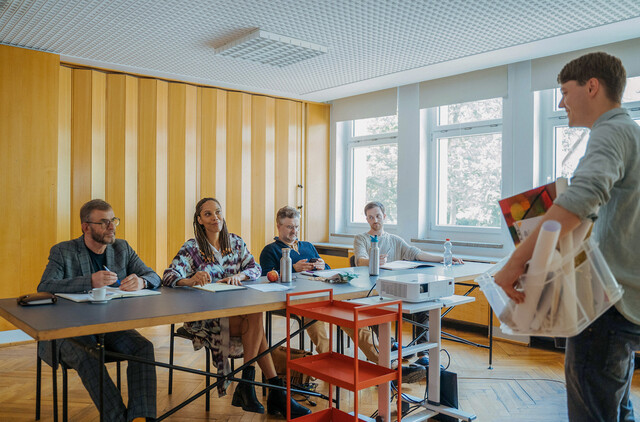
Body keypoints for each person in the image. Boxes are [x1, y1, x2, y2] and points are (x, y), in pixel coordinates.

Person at [494, 52, 640, 422]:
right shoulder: (632, 134)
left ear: (592, 86)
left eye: (564, 91)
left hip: (607, 303)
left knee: (593, 411)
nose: (561, 102)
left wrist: (515, 263)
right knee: (616, 405)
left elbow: (580, 201)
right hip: (627, 299)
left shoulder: (611, 131)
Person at [162, 198, 310, 417]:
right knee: (255, 321)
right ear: (200, 220)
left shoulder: (236, 243)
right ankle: (270, 391)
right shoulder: (192, 248)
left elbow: (255, 268)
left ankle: (253, 386)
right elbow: (168, 276)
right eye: (208, 214)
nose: (215, 218)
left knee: (254, 313)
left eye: (218, 212)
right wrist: (191, 279)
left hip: (238, 312)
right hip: (207, 317)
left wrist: (239, 275)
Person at [38, 199, 159, 422]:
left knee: (143, 347)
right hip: (67, 330)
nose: (111, 226)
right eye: (104, 222)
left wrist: (141, 282)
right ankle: (117, 419)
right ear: (86, 227)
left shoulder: (122, 248)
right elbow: (45, 286)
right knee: (89, 355)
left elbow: (153, 275)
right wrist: (89, 281)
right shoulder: (63, 251)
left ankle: (141, 417)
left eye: (113, 220)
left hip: (108, 326)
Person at [353, 201, 463, 362]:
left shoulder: (395, 240)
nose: (375, 220)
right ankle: (390, 345)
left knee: (423, 304)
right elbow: (360, 259)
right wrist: (373, 261)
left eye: (377, 216)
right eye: (370, 217)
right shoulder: (361, 238)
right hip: (373, 289)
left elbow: (417, 254)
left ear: (384, 216)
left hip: (395, 289)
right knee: (373, 307)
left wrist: (445, 258)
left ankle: (423, 352)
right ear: (367, 220)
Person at [259, 205, 331, 354]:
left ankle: (380, 359)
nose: (294, 231)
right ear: (278, 227)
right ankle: (329, 361)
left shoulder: (308, 246)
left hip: (318, 293)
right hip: (293, 299)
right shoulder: (270, 250)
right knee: (313, 314)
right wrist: (293, 269)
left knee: (349, 313)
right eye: (289, 227)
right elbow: (264, 278)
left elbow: (330, 271)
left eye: (297, 227)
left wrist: (324, 266)